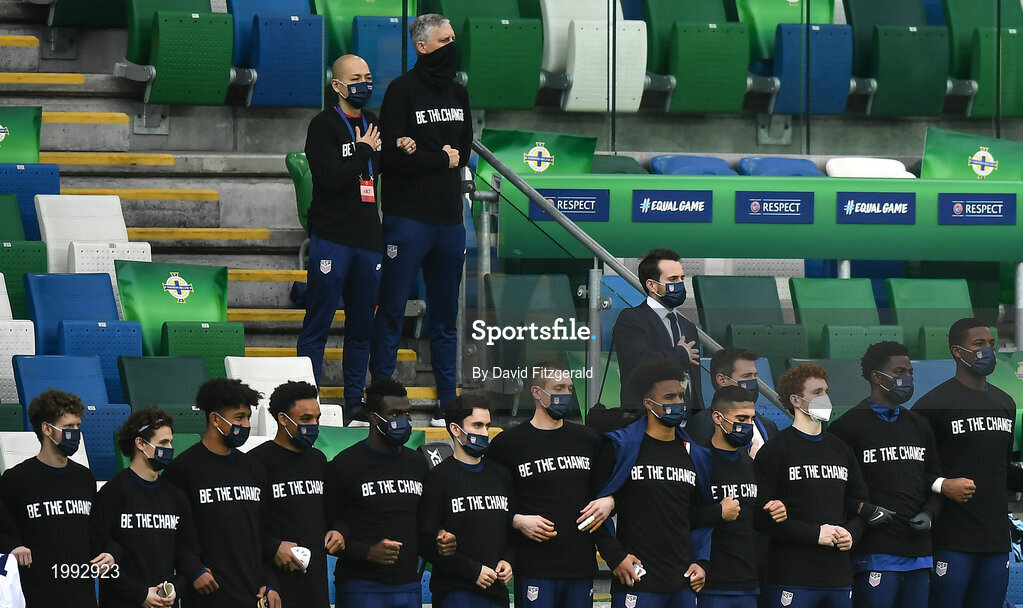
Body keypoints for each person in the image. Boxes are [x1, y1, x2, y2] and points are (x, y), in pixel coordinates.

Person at [370, 12, 473, 426]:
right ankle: (382, 395)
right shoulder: (400, 91)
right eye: (444, 41)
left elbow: (462, 153)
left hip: (449, 220)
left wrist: (424, 154)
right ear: (422, 46)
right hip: (407, 218)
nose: (452, 46)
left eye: (453, 39)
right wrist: (438, 158)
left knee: (445, 317)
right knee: (392, 308)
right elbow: (392, 156)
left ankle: (450, 403)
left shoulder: (459, 92)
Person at [298, 53, 398, 424]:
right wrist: (363, 150)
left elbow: (382, 170)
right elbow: (329, 179)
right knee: (318, 323)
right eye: (355, 78)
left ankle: (355, 399)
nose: (364, 84)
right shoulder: (323, 126)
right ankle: (307, 399)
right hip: (333, 236)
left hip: (367, 238)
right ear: (338, 86)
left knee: (361, 327)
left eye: (368, 76)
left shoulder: (374, 123)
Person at [912, 318, 1023, 608]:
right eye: (979, 344)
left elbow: (1001, 469)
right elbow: (906, 468)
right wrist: (942, 484)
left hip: (996, 539)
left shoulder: (1006, 404)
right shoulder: (931, 405)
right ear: (957, 351)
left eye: (991, 345)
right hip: (951, 537)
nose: (988, 351)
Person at [826, 341, 945, 608]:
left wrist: (930, 513)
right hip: (873, 552)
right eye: (900, 372)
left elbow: (935, 480)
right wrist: (865, 510)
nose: (908, 379)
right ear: (877, 377)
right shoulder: (846, 428)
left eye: (910, 372)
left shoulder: (920, 425)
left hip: (920, 553)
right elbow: (833, 490)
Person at [487, 362, 613, 608]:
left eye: (569, 388)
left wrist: (610, 501)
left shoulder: (587, 439)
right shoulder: (508, 443)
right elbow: (492, 500)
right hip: (534, 565)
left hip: (579, 564)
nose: (565, 394)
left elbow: (605, 491)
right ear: (536, 392)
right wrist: (517, 520)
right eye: (558, 388)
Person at [592, 359, 712, 608]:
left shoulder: (695, 454)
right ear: (648, 403)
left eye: (680, 395)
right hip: (637, 579)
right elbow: (593, 512)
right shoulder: (619, 447)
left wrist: (701, 561)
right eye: (669, 397)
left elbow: (702, 515)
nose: (678, 402)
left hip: (682, 582)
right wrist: (615, 558)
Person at [754, 363, 874, 608]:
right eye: (817, 392)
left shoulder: (841, 450)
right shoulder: (775, 451)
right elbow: (759, 517)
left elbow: (862, 507)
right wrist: (815, 534)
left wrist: (852, 533)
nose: (825, 398)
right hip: (792, 576)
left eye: (826, 391)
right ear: (796, 400)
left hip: (839, 577)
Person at [161, 379, 280, 608]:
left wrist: (270, 581)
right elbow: (170, 534)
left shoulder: (254, 469)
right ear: (215, 419)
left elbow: (263, 532)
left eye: (247, 417)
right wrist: (192, 569)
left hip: (253, 595)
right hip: (207, 595)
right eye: (238, 418)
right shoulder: (183, 469)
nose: (245, 424)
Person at [0, 388, 110, 607]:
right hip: (37, 593)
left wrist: (109, 552)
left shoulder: (85, 478)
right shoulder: (16, 479)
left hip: (81, 594)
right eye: (69, 427)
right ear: (46, 429)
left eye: (78, 426)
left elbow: (97, 532)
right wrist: (12, 546)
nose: (76, 432)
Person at [325, 378, 430, 608]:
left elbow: (425, 522)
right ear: (374, 418)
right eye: (394, 414)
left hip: (407, 585)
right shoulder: (344, 465)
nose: (403, 421)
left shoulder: (418, 464)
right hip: (360, 587)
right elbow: (327, 530)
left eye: (406, 414)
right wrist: (367, 552)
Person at [90, 407, 203, 608]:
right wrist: (140, 594)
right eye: (163, 442)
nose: (169, 448)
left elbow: (189, 554)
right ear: (140, 443)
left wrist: (175, 589)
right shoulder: (112, 493)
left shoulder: (175, 496)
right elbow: (99, 557)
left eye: (170, 442)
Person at [695, 385, 788, 608]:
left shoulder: (751, 465)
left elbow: (754, 521)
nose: (748, 425)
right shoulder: (697, 460)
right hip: (710, 583)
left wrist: (775, 511)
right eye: (741, 418)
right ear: (717, 417)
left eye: (751, 419)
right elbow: (678, 517)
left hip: (749, 583)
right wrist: (717, 512)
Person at [249, 381, 338, 608]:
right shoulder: (256, 463)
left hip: (315, 585)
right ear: (282, 419)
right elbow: (245, 526)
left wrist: (339, 531)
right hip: (273, 584)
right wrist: (272, 548)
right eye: (306, 419)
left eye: (317, 418)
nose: (314, 425)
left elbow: (330, 515)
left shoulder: (318, 460)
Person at [419, 396, 513, 607]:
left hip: (497, 592)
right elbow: (425, 541)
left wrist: (508, 561)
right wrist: (472, 570)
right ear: (455, 428)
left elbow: (510, 528)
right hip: (455, 592)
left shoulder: (501, 475)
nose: (484, 433)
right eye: (477, 425)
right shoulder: (438, 478)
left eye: (487, 426)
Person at [613, 248, 704, 415]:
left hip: (687, 422)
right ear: (652, 285)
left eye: (681, 278)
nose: (679, 284)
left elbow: (694, 384)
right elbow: (641, 363)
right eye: (672, 279)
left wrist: (698, 419)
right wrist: (681, 355)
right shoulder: (632, 318)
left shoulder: (688, 326)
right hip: (646, 421)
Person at [687, 347, 779, 451]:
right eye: (746, 376)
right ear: (722, 380)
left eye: (754, 376)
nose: (753, 381)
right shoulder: (702, 424)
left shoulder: (768, 426)